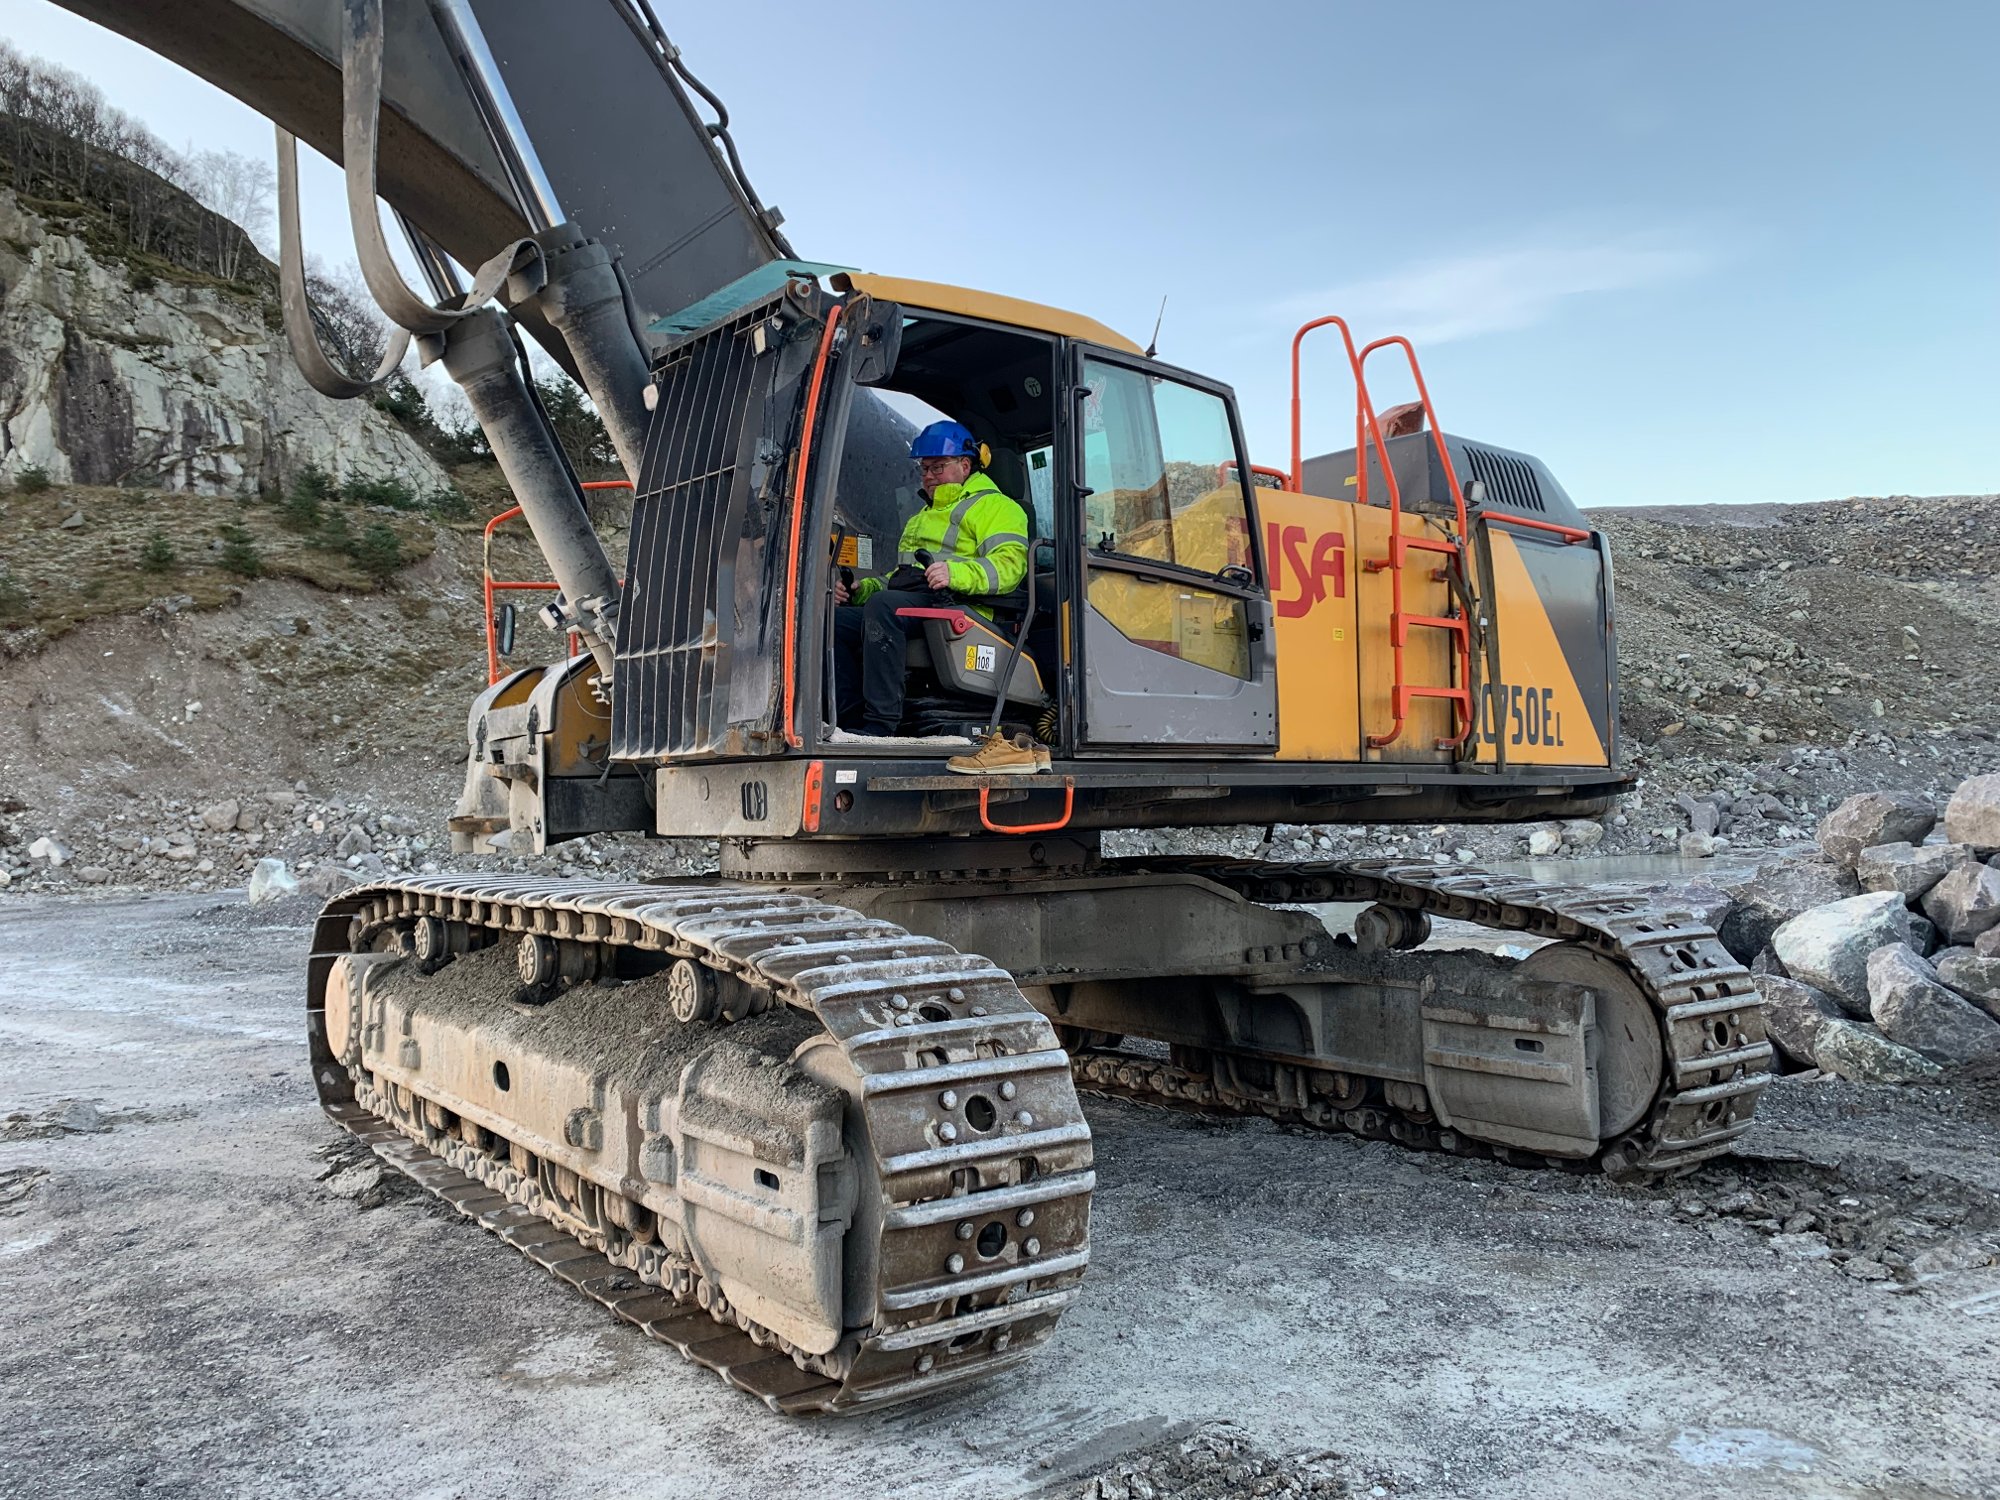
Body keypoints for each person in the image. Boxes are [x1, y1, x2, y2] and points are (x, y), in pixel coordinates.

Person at [833, 419, 1029, 739]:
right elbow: (902, 577)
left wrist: (955, 573)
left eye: (937, 467)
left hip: (963, 604)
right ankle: (849, 720)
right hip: (919, 600)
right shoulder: (920, 518)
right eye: (924, 469)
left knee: (885, 607)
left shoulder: (998, 508)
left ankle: (881, 725)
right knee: (837, 622)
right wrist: (861, 590)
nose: (928, 476)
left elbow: (1009, 567)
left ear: (965, 465)